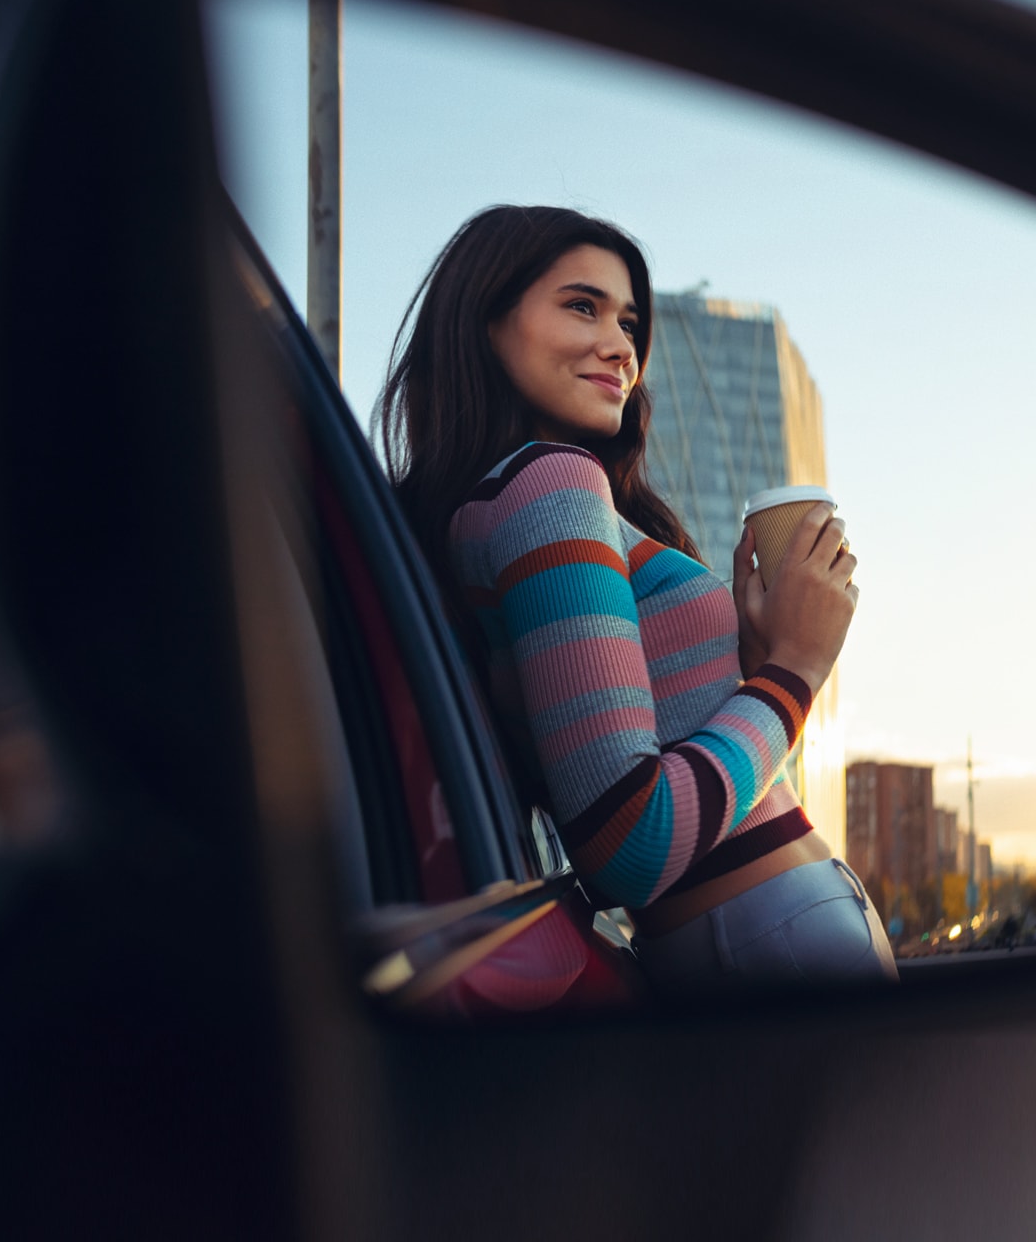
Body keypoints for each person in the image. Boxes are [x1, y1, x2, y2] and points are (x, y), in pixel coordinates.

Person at [378, 204, 892, 996]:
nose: (621, 346)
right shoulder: (549, 482)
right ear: (486, 321)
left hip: (755, 939)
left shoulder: (490, 508)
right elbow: (632, 841)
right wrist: (796, 670)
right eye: (582, 306)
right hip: (773, 936)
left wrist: (752, 663)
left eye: (628, 322)